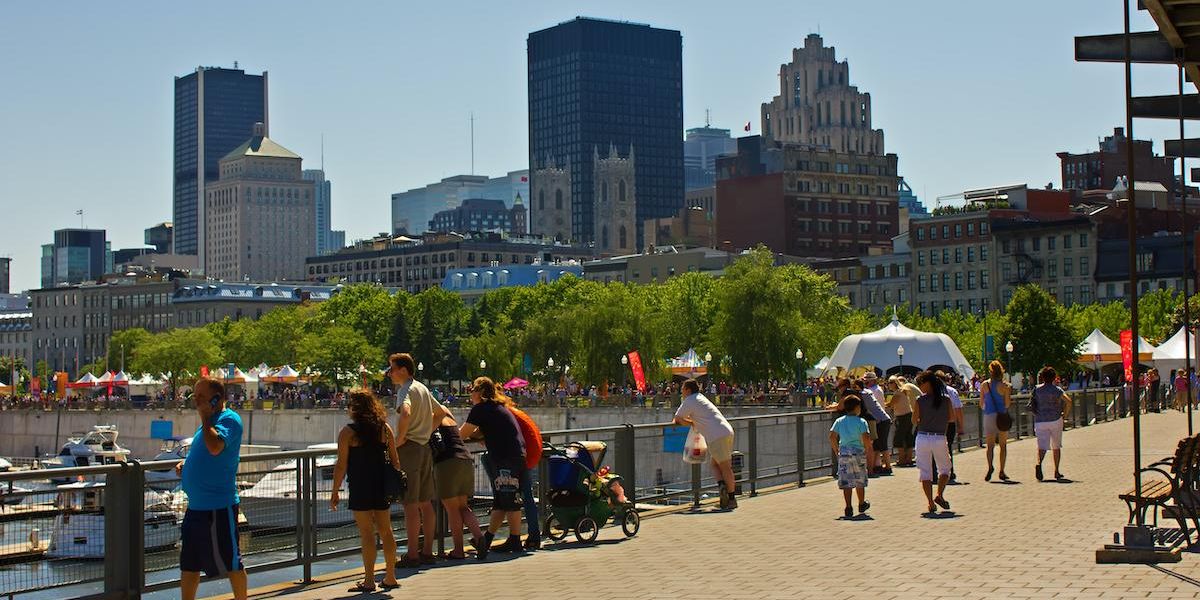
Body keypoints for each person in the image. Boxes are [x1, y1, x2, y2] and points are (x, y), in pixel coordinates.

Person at [177, 378, 247, 600]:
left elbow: (215, 447)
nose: (195, 401)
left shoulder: (228, 420)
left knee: (231, 561)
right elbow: (205, 453)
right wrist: (187, 467)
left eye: (200, 396)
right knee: (189, 563)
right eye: (194, 396)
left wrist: (206, 418)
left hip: (217, 506)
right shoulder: (206, 423)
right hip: (196, 507)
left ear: (217, 398)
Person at [329, 390, 402, 592]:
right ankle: (390, 576)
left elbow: (341, 465)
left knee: (367, 533)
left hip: (360, 485)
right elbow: (395, 460)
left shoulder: (348, 432)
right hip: (382, 485)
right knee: (386, 531)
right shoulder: (384, 429)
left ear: (355, 408)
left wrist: (335, 491)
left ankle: (369, 580)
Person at [461, 377, 526, 559]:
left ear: (480, 392)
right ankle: (488, 539)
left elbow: (463, 433)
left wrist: (449, 438)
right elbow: (481, 431)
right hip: (514, 455)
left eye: (472, 389)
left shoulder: (481, 408)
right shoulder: (495, 407)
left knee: (510, 499)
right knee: (501, 499)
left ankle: (515, 541)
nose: (470, 392)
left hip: (506, 458)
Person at [387, 353, 438, 568]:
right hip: (424, 448)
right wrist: (426, 431)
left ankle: (412, 555)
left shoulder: (405, 390)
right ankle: (427, 551)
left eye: (392, 368)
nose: (389, 373)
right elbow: (442, 412)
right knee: (425, 502)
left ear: (404, 370)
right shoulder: (422, 388)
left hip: (410, 450)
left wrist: (399, 439)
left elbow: (405, 413)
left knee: (410, 504)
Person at [673, 378, 738, 509]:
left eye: (682, 390)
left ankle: (731, 499)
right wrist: (694, 421)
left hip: (716, 435)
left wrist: (691, 423)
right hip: (725, 431)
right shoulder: (700, 398)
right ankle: (722, 488)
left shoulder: (689, 400)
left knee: (725, 467)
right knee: (715, 464)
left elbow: (677, 419)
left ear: (688, 390)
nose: (681, 393)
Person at [431, 403, 485, 560]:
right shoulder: (447, 413)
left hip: (447, 462)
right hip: (465, 459)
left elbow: (423, 435)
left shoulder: (432, 417)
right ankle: (479, 537)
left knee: (452, 509)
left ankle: (458, 550)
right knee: (463, 507)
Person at [498, 395, 544, 550]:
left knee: (519, 494)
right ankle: (534, 535)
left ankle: (528, 535)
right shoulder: (513, 411)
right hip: (532, 453)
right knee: (527, 496)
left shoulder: (503, 413)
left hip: (524, 456)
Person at [912, 370, 952, 515]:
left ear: (926, 383)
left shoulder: (920, 400)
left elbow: (914, 420)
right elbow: (951, 418)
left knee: (925, 472)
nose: (920, 387)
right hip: (939, 437)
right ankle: (939, 494)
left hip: (923, 437)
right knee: (945, 470)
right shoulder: (946, 399)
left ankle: (930, 502)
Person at [829, 395, 872, 518]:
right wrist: (867, 448)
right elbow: (866, 437)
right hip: (858, 451)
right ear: (857, 407)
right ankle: (861, 503)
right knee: (859, 479)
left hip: (844, 452)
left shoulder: (840, 421)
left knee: (846, 480)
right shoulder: (862, 421)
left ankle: (848, 506)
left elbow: (832, 436)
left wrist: (836, 449)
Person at [1032, 366, 1072, 481]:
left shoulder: (1037, 389)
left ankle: (1039, 463)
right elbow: (1068, 401)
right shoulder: (1057, 390)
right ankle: (1056, 471)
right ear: (1054, 377)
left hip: (1040, 420)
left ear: (1042, 378)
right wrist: (1065, 415)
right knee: (1056, 446)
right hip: (1055, 419)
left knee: (1041, 446)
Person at [979, 361, 1011, 482]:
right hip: (1001, 416)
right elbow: (1007, 404)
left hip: (989, 416)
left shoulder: (984, 385)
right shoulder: (1005, 386)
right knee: (1003, 445)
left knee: (990, 446)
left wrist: (987, 409)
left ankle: (990, 466)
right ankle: (1002, 471)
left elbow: (981, 403)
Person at [862, 372, 892, 475]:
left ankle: (888, 467)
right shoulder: (873, 390)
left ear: (873, 380)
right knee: (877, 445)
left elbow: (878, 406)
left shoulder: (875, 391)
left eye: (867, 380)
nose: (865, 382)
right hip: (879, 419)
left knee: (882, 445)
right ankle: (877, 465)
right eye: (864, 380)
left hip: (880, 420)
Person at [886, 376, 919, 468]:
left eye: (890, 383)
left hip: (902, 417)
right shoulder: (902, 391)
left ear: (894, 383)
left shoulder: (898, 393)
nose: (888, 385)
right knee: (908, 436)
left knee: (898, 438)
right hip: (908, 415)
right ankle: (908, 458)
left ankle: (902, 459)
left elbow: (890, 404)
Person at [940, 372, 965, 482]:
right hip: (950, 423)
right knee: (948, 447)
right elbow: (958, 410)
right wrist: (960, 426)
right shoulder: (952, 391)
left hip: (938, 423)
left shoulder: (931, 392)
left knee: (938, 448)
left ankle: (941, 471)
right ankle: (949, 471)